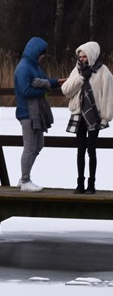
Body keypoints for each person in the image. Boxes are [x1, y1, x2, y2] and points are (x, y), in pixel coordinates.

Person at [14, 37, 65, 192]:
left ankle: (24, 176)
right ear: (36, 52)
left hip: (35, 114)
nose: (43, 57)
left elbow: (45, 81)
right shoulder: (23, 68)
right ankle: (25, 180)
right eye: (42, 54)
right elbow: (25, 91)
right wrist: (46, 89)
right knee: (30, 147)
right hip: (27, 113)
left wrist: (57, 82)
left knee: (39, 145)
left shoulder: (34, 66)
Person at [61, 41, 113, 194]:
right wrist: (81, 78)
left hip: (94, 116)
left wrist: (105, 117)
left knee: (92, 150)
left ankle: (91, 183)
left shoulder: (103, 72)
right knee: (80, 150)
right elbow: (66, 90)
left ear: (91, 55)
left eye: (85, 56)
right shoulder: (77, 71)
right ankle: (80, 183)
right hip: (79, 114)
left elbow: (107, 96)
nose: (82, 59)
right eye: (80, 56)